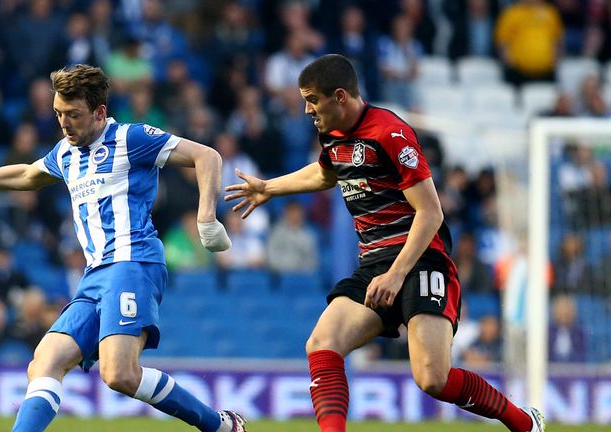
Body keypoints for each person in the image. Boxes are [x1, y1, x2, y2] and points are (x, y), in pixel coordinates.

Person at [0, 64, 246, 432]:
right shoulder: (65, 152)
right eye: (58, 113)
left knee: (118, 373)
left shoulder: (131, 139)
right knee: (45, 361)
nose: (64, 123)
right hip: (94, 276)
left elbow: (207, 156)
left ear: (99, 112)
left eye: (73, 115)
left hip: (132, 262)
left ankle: (220, 425)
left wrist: (205, 218)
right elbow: (26, 175)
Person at [225, 54, 544, 432]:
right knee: (322, 343)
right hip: (374, 264)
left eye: (312, 99)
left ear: (339, 96)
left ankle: (525, 422)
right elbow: (328, 171)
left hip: (422, 260)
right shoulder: (331, 132)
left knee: (432, 379)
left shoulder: (389, 133)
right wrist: (270, 188)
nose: (307, 108)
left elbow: (431, 213)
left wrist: (396, 275)